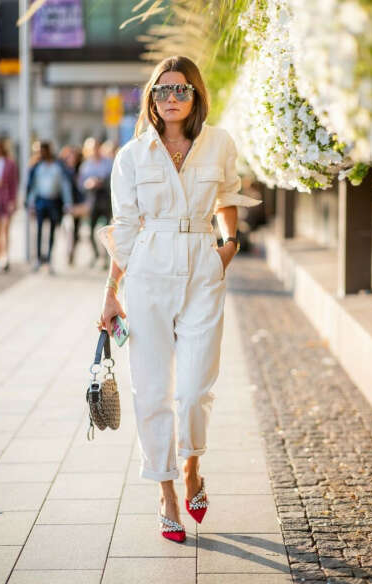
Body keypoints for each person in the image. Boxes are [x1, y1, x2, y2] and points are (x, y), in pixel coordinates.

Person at [96, 55, 261, 542]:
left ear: (195, 96)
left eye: (181, 90)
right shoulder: (132, 156)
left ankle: (191, 466)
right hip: (147, 269)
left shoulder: (219, 143)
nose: (171, 99)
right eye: (162, 91)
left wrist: (227, 247)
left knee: (194, 388)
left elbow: (227, 199)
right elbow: (124, 230)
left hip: (202, 265)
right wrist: (110, 294)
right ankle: (166, 490)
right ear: (151, 98)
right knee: (151, 390)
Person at [26, 141, 73, 274]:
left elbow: (64, 186)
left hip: (54, 202)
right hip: (41, 201)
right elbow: (33, 186)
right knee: (39, 230)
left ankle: (49, 259)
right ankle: (39, 259)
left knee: (53, 230)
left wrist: (67, 202)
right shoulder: (37, 167)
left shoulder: (57, 167)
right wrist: (30, 202)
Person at [78, 137, 113, 268]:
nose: (95, 150)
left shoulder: (108, 163)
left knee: (107, 231)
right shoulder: (85, 166)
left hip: (106, 200)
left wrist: (101, 182)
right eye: (92, 148)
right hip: (92, 199)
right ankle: (97, 255)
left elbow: (113, 179)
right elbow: (80, 184)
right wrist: (88, 184)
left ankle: (107, 258)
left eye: (97, 147)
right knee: (91, 231)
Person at [0, 136, 19, 273]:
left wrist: (13, 200)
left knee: (6, 229)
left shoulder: (10, 163)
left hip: (6, 199)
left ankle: (6, 256)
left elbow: (14, 183)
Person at [59, 145, 86, 265]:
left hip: (78, 204)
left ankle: (72, 252)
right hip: (66, 205)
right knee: (67, 229)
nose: (71, 159)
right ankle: (68, 251)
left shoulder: (80, 170)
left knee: (75, 230)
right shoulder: (63, 171)